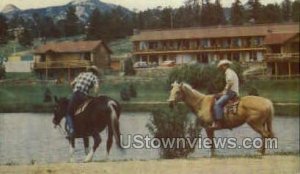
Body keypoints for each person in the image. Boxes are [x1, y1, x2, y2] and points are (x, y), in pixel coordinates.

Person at [66, 65, 100, 139]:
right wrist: (96, 95)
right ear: (95, 72)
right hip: (84, 96)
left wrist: (74, 89)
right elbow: (96, 88)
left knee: (69, 113)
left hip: (75, 95)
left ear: (89, 70)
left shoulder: (81, 74)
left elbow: (71, 84)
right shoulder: (94, 77)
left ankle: (71, 130)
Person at [212, 59, 239, 128]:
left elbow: (230, 83)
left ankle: (219, 123)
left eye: (222, 66)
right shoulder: (231, 72)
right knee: (217, 97)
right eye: (221, 67)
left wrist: (224, 91)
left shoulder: (228, 72)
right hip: (233, 91)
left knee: (217, 104)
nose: (221, 68)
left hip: (231, 92)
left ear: (225, 66)